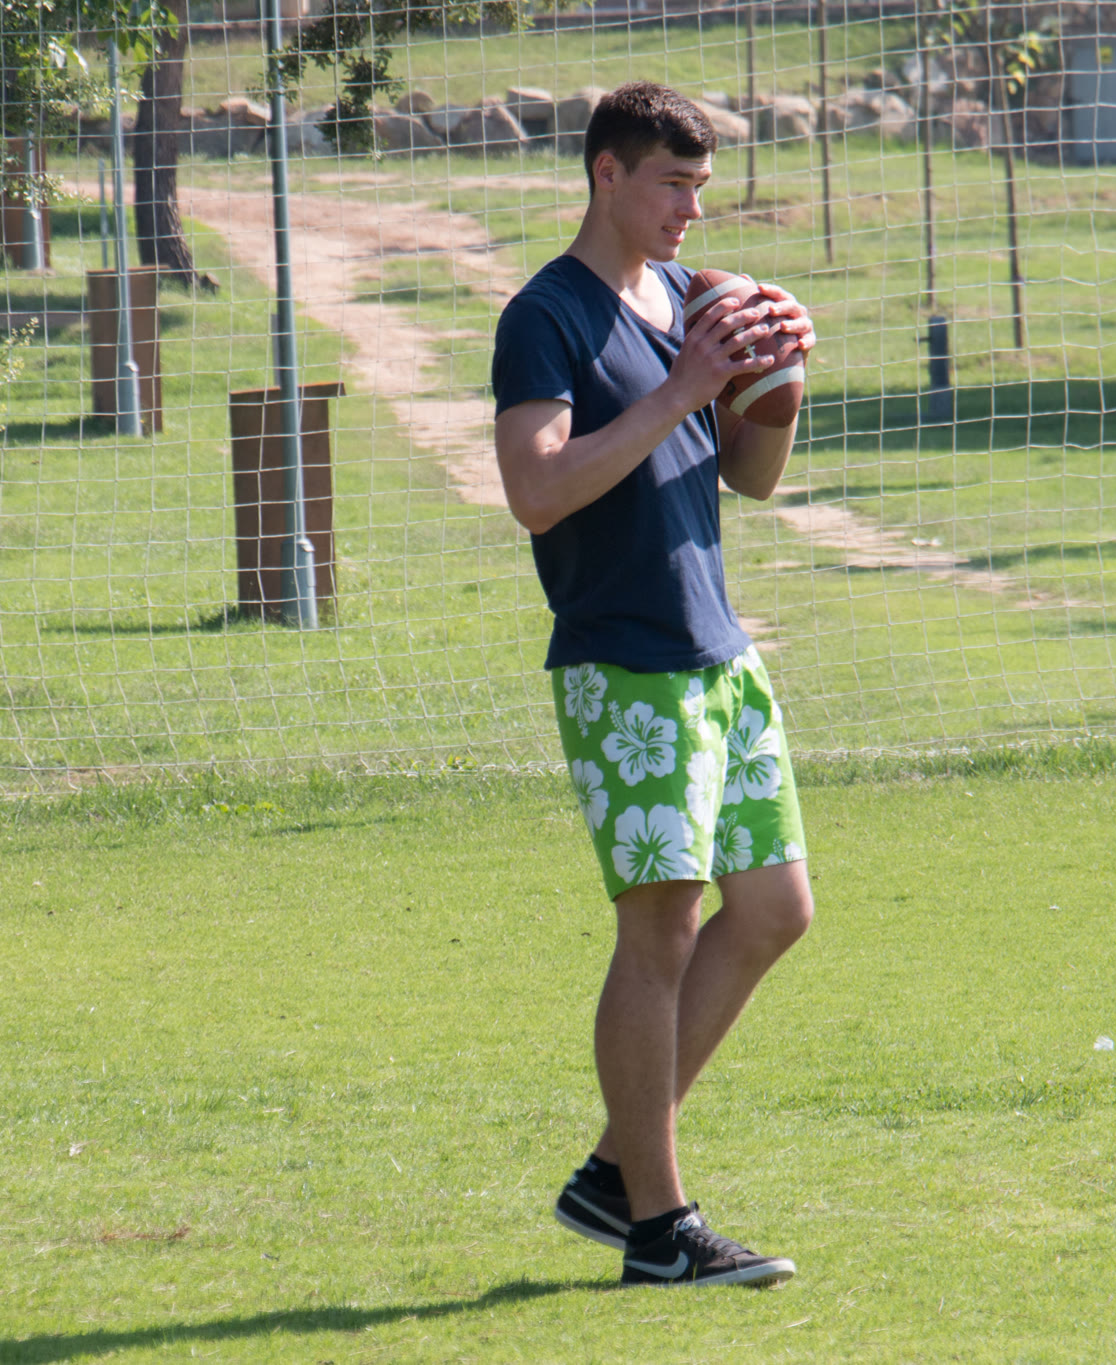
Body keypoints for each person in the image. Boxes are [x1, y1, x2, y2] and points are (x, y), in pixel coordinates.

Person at [490, 81, 816, 1289]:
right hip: (623, 663)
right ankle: (658, 1227)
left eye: (701, 187)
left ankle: (611, 1173)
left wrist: (777, 381)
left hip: (718, 654)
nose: (691, 209)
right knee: (661, 930)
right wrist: (682, 386)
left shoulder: (689, 298)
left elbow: (752, 479)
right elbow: (536, 491)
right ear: (606, 175)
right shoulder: (546, 316)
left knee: (774, 909)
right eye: (672, 184)